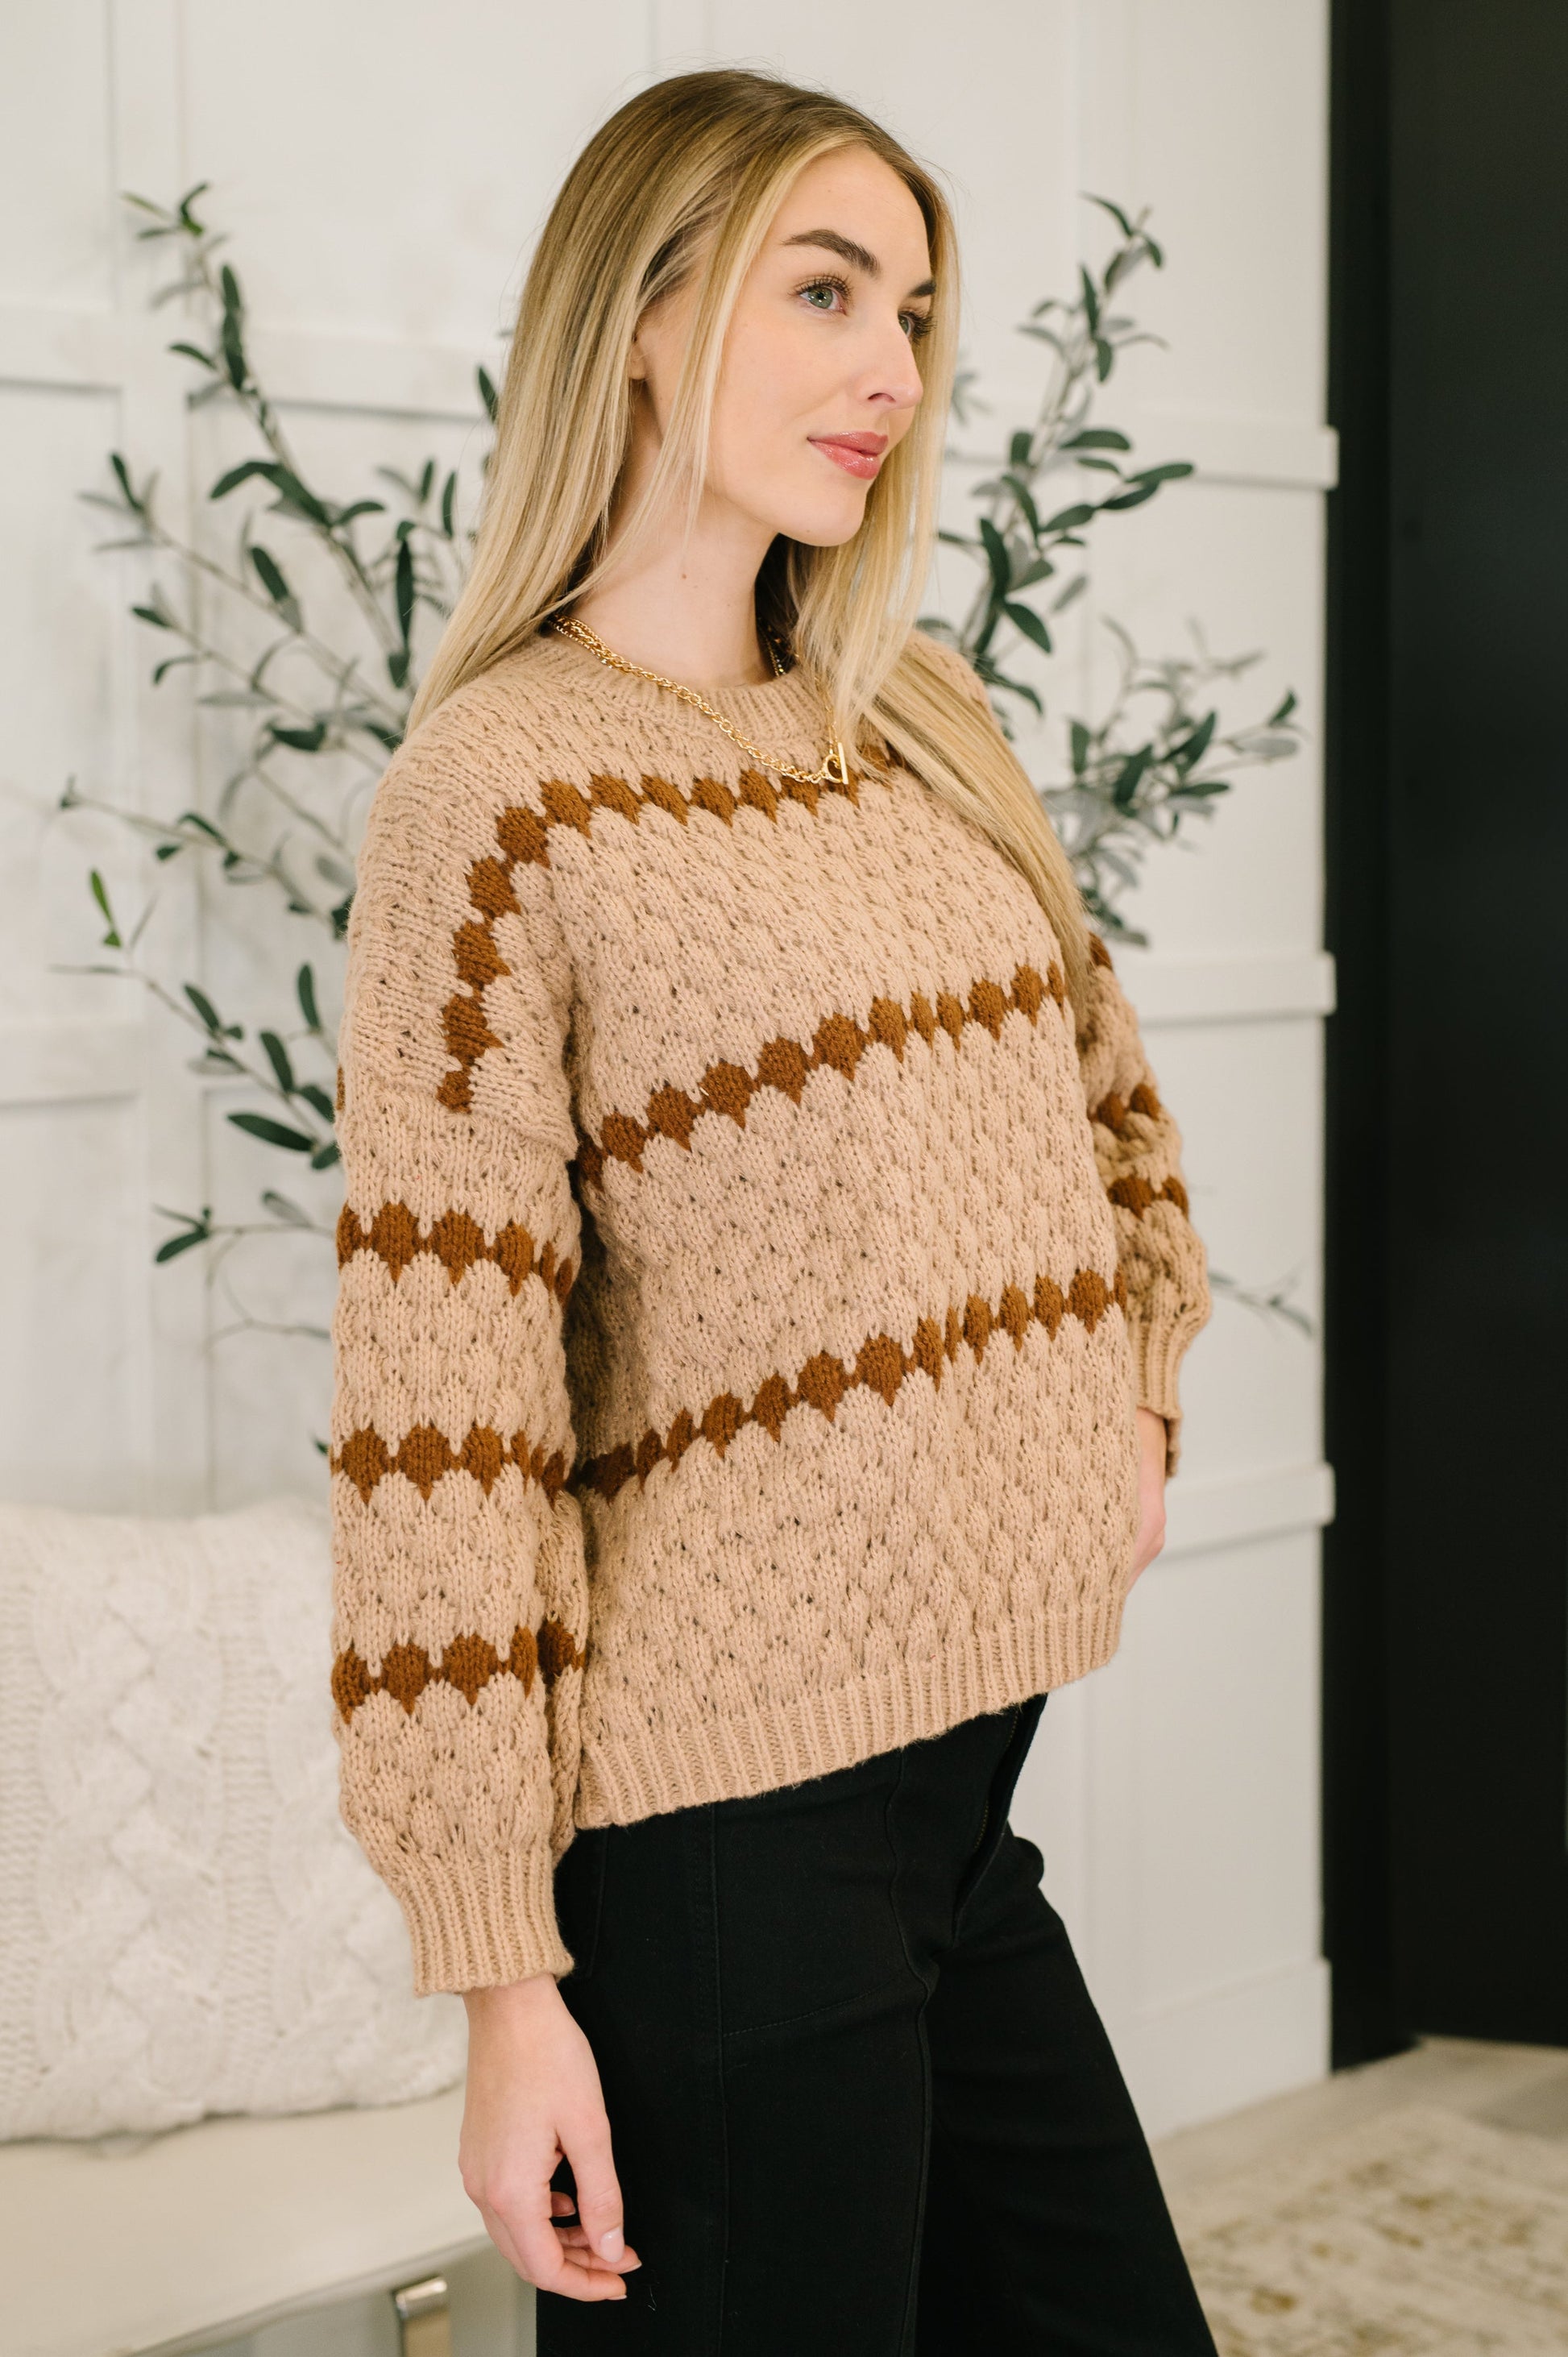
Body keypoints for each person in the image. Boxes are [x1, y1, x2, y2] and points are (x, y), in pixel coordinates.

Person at [328, 65, 1217, 2356]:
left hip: (957, 1798)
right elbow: (444, 1419)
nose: (889, 369)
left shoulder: (910, 711)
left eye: (909, 310)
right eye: (824, 290)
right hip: (723, 1853)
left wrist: (1135, 1400)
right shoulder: (495, 795)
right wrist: (502, 1987)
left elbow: (1107, 1106)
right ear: (638, 315)